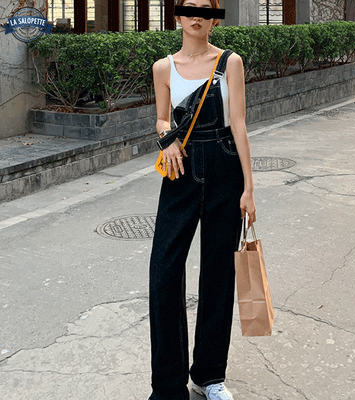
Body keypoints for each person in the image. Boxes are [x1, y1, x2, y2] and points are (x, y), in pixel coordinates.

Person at [149, 1, 256, 399]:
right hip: (180, 170)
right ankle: (168, 387)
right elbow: (162, 118)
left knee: (218, 272)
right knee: (163, 272)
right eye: (188, 9)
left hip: (226, 168)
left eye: (205, 10)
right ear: (177, 16)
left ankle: (209, 376)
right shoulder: (163, 67)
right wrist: (167, 138)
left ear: (214, 19)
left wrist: (249, 188)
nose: (197, 17)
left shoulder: (230, 62)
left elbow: (239, 123)